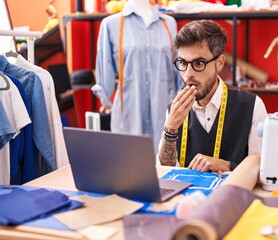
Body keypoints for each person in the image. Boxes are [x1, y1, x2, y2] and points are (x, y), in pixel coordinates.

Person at [158, 20, 267, 173]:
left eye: (199, 63)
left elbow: (263, 169)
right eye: (183, 62)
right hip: (187, 197)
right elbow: (164, 171)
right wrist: (171, 129)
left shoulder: (252, 106)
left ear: (220, 63)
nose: (189, 73)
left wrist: (228, 166)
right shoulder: (174, 109)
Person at [92, 0, 182, 151]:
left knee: (165, 169)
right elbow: (105, 66)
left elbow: (179, 69)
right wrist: (105, 98)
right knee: (128, 169)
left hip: (164, 115)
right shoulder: (111, 24)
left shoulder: (169, 23)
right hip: (128, 114)